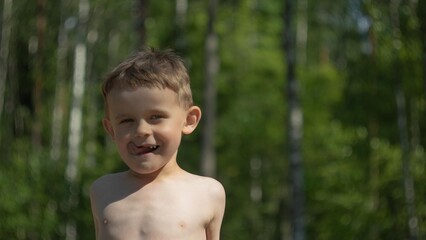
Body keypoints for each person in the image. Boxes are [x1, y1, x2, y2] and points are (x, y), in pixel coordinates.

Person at [90, 48, 226, 240]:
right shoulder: (102, 190)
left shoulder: (208, 193)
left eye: (155, 117)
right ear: (111, 129)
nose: (141, 130)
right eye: (127, 121)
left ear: (189, 120)